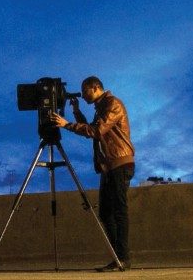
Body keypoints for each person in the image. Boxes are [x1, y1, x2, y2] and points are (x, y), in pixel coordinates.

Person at [51, 76, 135, 272]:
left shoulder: (113, 104)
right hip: (109, 166)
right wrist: (76, 112)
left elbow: (96, 131)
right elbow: (93, 129)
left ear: (96, 88)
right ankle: (117, 257)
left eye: (85, 90)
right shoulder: (102, 107)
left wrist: (66, 125)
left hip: (119, 163)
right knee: (106, 213)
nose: (82, 93)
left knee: (119, 211)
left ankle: (123, 257)